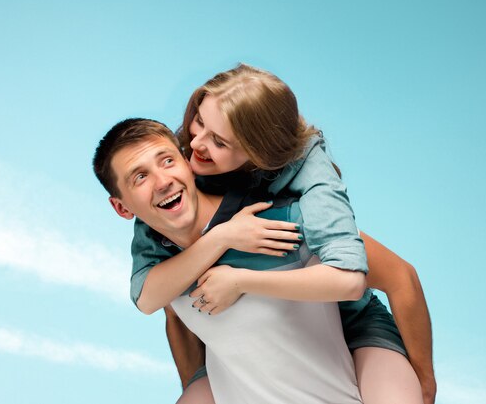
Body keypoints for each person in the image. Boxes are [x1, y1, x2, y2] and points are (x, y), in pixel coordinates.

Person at [130, 64, 435, 404]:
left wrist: (424, 379)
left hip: (352, 324)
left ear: (256, 153)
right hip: (243, 357)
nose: (195, 145)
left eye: (218, 140)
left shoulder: (295, 207)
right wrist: (206, 387)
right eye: (198, 121)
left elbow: (396, 277)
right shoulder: (170, 191)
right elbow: (171, 312)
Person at [94, 118, 365, 403]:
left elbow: (390, 275)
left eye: (167, 161)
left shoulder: (278, 220)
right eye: (140, 177)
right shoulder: (163, 263)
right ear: (121, 208)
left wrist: (419, 385)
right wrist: (222, 237)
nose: (162, 182)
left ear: (188, 162)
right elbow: (159, 307)